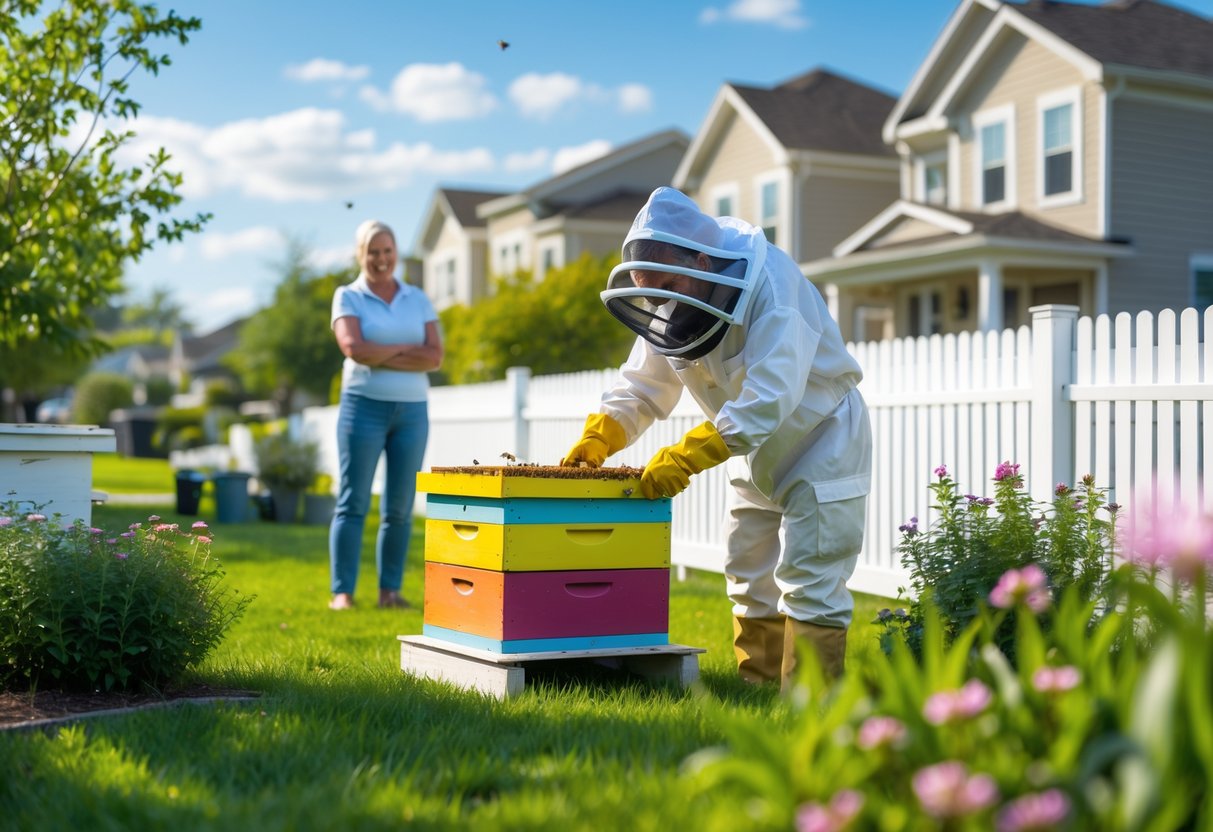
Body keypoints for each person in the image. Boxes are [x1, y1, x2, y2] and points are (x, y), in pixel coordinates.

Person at [562, 187, 871, 690]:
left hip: (822, 438)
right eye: (650, 291)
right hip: (748, 450)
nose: (660, 300)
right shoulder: (677, 293)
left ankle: (811, 700)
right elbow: (642, 383)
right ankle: (760, 686)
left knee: (812, 573)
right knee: (746, 567)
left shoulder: (774, 288)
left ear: (702, 260)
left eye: (665, 286)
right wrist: (602, 434)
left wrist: (687, 456)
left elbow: (770, 397)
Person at [328, 219, 443, 610]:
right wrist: (406, 349)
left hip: (412, 413)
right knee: (353, 501)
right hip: (363, 407)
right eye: (373, 251)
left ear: (396, 253)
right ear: (361, 255)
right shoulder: (348, 296)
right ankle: (342, 593)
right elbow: (354, 349)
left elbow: (434, 356)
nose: (381, 259)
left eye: (387, 251)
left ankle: (389, 593)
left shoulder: (417, 298)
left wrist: (382, 351)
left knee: (399, 507)